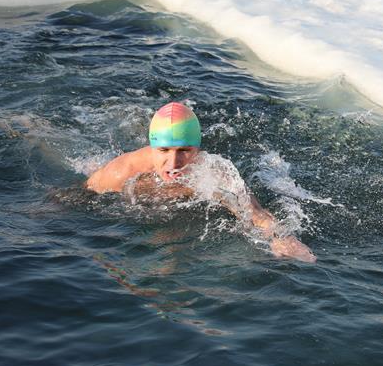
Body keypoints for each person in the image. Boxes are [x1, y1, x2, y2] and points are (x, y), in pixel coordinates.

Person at [86, 102, 315, 262]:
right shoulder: (121, 172)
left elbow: (255, 213)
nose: (173, 163)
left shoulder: (215, 172)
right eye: (164, 150)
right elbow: (81, 196)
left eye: (184, 151)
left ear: (197, 149)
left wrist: (281, 238)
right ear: (152, 147)